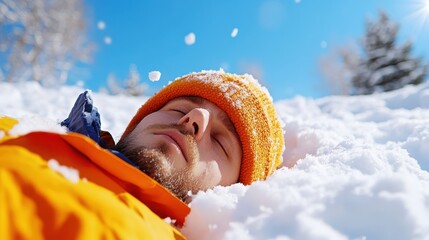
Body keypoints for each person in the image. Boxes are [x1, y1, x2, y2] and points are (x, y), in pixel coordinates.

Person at [0, 70, 284, 239]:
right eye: (179, 108)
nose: (194, 118)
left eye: (221, 141)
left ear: (233, 193)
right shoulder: (22, 130)